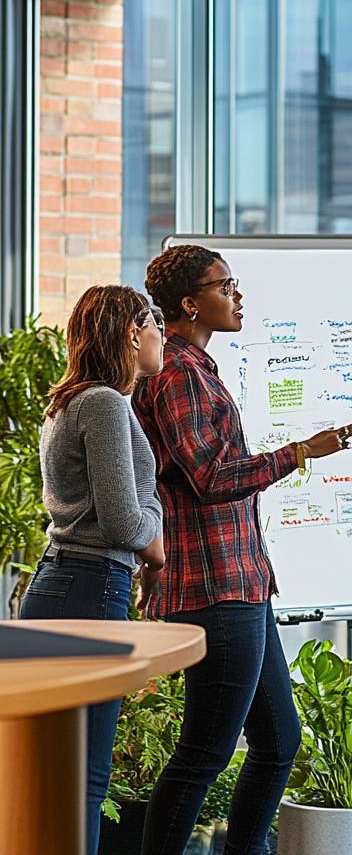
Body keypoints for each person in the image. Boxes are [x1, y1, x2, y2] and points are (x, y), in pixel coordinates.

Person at [133, 244, 352, 855]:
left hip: (239, 581)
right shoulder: (179, 374)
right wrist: (300, 452)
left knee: (278, 742)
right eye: (226, 286)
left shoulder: (197, 368)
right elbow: (212, 478)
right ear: (190, 303)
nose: (239, 296)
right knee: (205, 752)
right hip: (215, 586)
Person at [20, 285, 166, 855]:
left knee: (56, 774)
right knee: (84, 777)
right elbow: (126, 524)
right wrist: (156, 516)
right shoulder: (104, 402)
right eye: (154, 324)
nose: (161, 337)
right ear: (132, 334)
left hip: (61, 585)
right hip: (88, 587)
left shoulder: (70, 401)